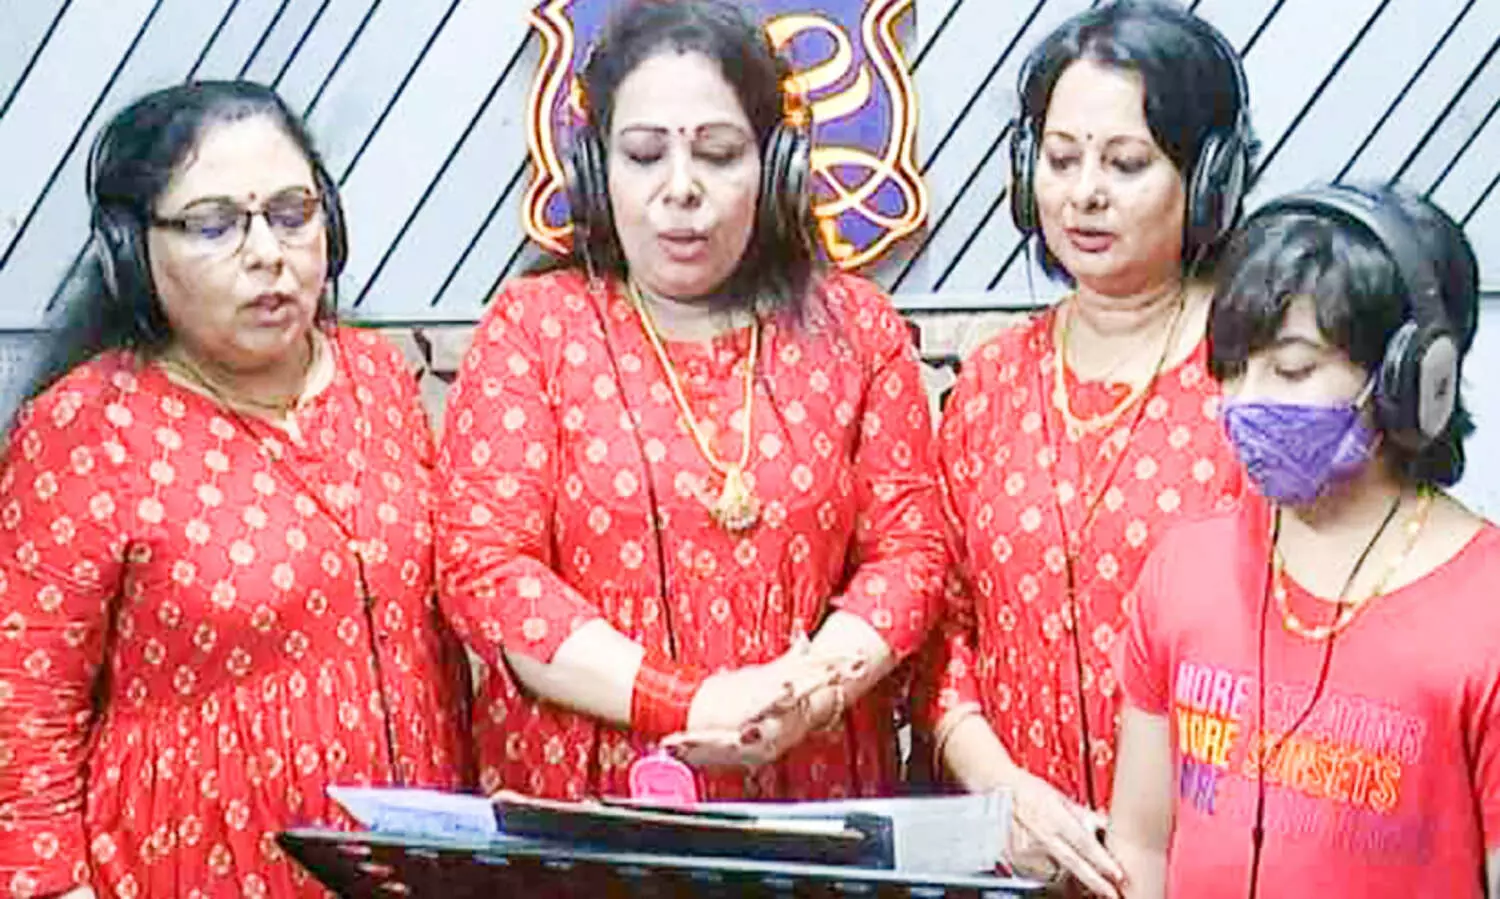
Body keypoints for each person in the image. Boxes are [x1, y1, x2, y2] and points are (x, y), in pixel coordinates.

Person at [435, 0, 947, 802]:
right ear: (596, 169)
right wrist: (689, 700)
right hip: (586, 798)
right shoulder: (533, 329)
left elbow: (911, 553)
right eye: (643, 154)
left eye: (718, 152)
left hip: (812, 783)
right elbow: (487, 571)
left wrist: (810, 691)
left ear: (775, 166)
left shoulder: (858, 328)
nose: (682, 189)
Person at [0, 81, 471, 898]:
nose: (268, 252)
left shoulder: (380, 377)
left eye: (293, 212)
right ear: (130, 252)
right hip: (182, 868)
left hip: (407, 862)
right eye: (215, 224)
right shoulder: (86, 428)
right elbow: (20, 721)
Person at [914, 2, 1258, 894]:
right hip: (1010, 858)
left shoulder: (1261, 383)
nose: (1084, 193)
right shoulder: (990, 381)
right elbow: (943, 636)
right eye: (1061, 160)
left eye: (1127, 163)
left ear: (1209, 177)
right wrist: (1005, 792)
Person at [1109, 183, 1495, 897]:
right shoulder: (1182, 571)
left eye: (1290, 368)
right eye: (1233, 368)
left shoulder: (1489, 608)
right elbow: (1140, 840)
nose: (1246, 398)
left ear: (1411, 380)